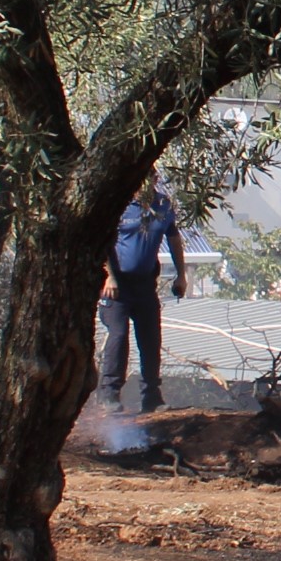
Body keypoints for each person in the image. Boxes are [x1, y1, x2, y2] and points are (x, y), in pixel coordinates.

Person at [98, 168, 192, 417]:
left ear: (154, 181)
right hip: (117, 286)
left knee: (150, 339)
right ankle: (109, 394)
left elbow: (173, 238)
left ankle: (151, 396)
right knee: (119, 336)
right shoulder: (117, 205)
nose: (143, 186)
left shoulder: (163, 205)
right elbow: (101, 241)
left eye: (148, 180)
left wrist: (181, 275)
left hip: (145, 284)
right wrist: (109, 275)